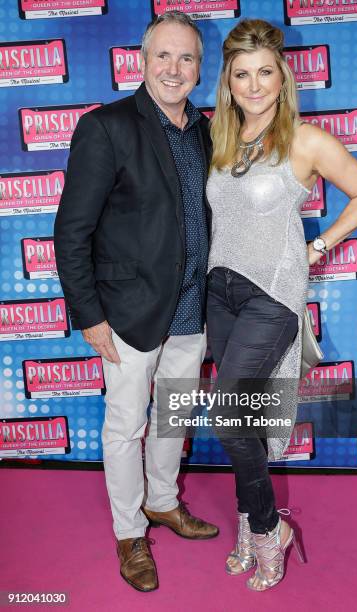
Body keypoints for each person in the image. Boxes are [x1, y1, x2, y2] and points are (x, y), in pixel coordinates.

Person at [206, 19, 357, 592]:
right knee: (245, 420)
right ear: (227, 83)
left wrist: (320, 245)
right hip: (220, 293)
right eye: (242, 75)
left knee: (228, 417)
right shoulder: (218, 136)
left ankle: (266, 531)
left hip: (273, 296)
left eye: (265, 73)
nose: (254, 85)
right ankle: (249, 520)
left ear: (282, 78)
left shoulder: (304, 141)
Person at [54, 11, 218, 594]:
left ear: (201, 67)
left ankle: (164, 503)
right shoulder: (107, 127)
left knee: (174, 418)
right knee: (126, 426)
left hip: (192, 307)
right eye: (163, 56)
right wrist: (89, 314)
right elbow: (72, 231)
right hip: (126, 310)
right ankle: (129, 532)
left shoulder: (206, 129)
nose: (175, 69)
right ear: (141, 62)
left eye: (187, 58)